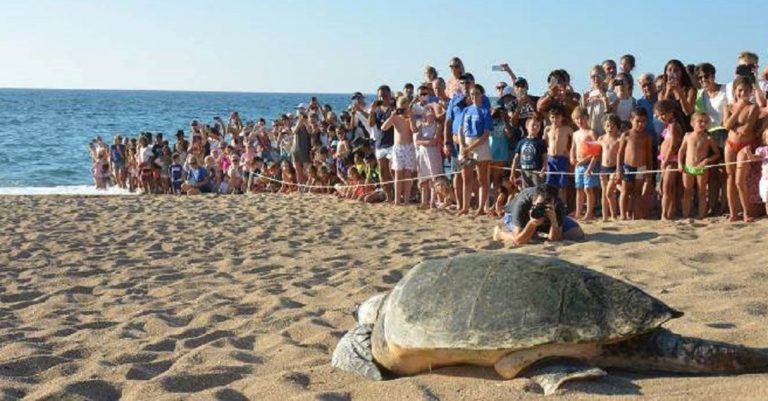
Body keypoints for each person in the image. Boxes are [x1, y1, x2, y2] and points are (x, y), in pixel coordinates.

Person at [493, 184, 584, 245]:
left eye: (547, 204)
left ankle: (538, 230)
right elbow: (518, 240)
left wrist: (554, 222)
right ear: (533, 201)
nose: (543, 207)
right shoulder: (523, 203)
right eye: (539, 204)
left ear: (555, 203)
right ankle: (500, 234)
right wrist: (532, 224)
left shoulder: (557, 204)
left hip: (548, 219)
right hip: (513, 214)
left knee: (576, 233)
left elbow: (554, 240)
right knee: (526, 238)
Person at [723, 76, 761, 222]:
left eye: (746, 90)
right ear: (735, 91)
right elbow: (726, 126)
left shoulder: (753, 107)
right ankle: (733, 213)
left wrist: (734, 123)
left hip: (746, 146)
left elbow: (746, 130)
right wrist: (738, 108)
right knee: (730, 178)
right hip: (730, 144)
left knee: (740, 180)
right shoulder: (728, 107)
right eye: (740, 90)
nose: (742, 93)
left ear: (751, 91)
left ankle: (746, 212)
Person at [694, 62, 728, 214]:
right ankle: (713, 206)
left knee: (724, 172)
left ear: (713, 75)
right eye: (700, 78)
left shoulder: (726, 90)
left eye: (705, 76)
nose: (703, 80)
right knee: (712, 174)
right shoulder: (700, 94)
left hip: (723, 132)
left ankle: (724, 206)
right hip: (709, 134)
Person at [678, 113, 721, 219]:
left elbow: (717, 154)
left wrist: (707, 160)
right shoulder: (687, 136)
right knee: (687, 191)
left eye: (705, 122)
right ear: (692, 123)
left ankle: (701, 215)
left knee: (702, 192)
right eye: (700, 121)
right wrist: (680, 163)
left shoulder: (708, 138)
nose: (703, 124)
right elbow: (681, 151)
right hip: (688, 167)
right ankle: (686, 215)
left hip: (701, 168)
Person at [458, 85, 493, 216]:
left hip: (480, 144)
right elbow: (461, 129)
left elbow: (486, 134)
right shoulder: (466, 110)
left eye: (477, 94)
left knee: (481, 178)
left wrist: (469, 148)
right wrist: (463, 145)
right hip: (467, 142)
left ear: (481, 95)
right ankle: (465, 207)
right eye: (472, 94)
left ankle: (481, 208)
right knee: (466, 177)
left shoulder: (485, 111)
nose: (474, 96)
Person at [617, 107, 654, 219]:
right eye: (638, 121)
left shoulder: (647, 137)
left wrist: (649, 172)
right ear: (631, 120)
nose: (640, 124)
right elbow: (620, 154)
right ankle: (623, 215)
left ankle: (634, 215)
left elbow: (649, 155)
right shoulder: (626, 135)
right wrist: (618, 170)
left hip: (641, 167)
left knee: (637, 192)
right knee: (625, 191)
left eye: (643, 121)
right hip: (627, 166)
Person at [382, 96, 417, 206]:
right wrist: (391, 117)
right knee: (398, 174)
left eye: (404, 108)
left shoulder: (410, 116)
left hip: (409, 147)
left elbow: (414, 130)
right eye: (400, 108)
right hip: (398, 148)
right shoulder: (395, 117)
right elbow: (383, 128)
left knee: (407, 174)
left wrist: (410, 117)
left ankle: (406, 200)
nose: (402, 111)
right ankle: (397, 200)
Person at [655, 99, 683, 221]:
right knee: (665, 188)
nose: (660, 117)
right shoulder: (667, 127)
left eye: (663, 114)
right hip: (665, 159)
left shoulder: (673, 126)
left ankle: (665, 215)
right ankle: (667, 213)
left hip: (671, 160)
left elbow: (674, 144)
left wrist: (665, 160)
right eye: (658, 115)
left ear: (670, 113)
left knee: (667, 188)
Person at [368, 85, 396, 202]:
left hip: (392, 143)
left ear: (389, 95)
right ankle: (388, 196)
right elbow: (371, 124)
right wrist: (372, 111)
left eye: (384, 95)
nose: (382, 98)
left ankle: (396, 195)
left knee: (392, 170)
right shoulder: (377, 110)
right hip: (380, 143)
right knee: (383, 172)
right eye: (379, 96)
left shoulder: (394, 108)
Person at [571, 107, 599, 220]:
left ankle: (589, 213)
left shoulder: (591, 132)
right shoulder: (575, 133)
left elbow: (596, 152)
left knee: (588, 189)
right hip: (578, 166)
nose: (579, 121)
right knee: (579, 189)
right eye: (576, 119)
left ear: (587, 118)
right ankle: (578, 212)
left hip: (589, 165)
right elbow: (573, 147)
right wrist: (572, 158)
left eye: (581, 118)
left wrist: (587, 163)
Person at [412, 106, 443, 209]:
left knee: (433, 178)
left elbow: (434, 141)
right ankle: (424, 201)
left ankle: (432, 202)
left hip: (433, 154)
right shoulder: (421, 126)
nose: (430, 114)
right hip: (422, 154)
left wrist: (424, 141)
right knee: (423, 179)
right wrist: (427, 141)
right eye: (428, 112)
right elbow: (417, 140)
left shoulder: (437, 126)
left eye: (432, 111)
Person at [511, 117, 547, 189]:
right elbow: (516, 158)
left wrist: (544, 167)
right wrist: (512, 172)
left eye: (538, 125)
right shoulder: (521, 142)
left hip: (536, 172)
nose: (535, 127)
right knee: (526, 192)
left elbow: (545, 157)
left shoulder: (541, 142)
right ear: (527, 126)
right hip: (524, 172)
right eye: (533, 125)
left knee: (537, 191)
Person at [543, 105, 573, 192]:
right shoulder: (547, 129)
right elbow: (544, 144)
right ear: (549, 117)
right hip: (550, 159)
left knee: (562, 185)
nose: (555, 120)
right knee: (549, 184)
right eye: (553, 117)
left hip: (562, 158)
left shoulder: (567, 129)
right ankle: (550, 204)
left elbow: (576, 141)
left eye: (557, 117)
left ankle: (562, 204)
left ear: (562, 117)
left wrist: (570, 153)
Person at [598, 114, 622, 221]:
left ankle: (613, 214)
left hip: (614, 168)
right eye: (607, 126)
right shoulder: (601, 138)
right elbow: (596, 154)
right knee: (604, 193)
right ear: (604, 127)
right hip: (603, 167)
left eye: (612, 126)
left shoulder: (619, 139)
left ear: (617, 127)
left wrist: (618, 169)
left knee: (609, 192)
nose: (610, 128)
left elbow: (620, 156)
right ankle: (605, 216)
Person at [583, 65, 617, 136]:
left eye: (599, 76)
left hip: (605, 135)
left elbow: (614, 116)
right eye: (593, 76)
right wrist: (584, 104)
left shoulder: (611, 95)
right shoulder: (587, 95)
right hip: (590, 135)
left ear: (604, 77)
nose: (596, 79)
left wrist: (605, 101)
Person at [750, 129, 768, 217]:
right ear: (765, 139)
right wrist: (748, 153)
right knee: (767, 198)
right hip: (766, 179)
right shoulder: (762, 150)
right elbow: (754, 159)